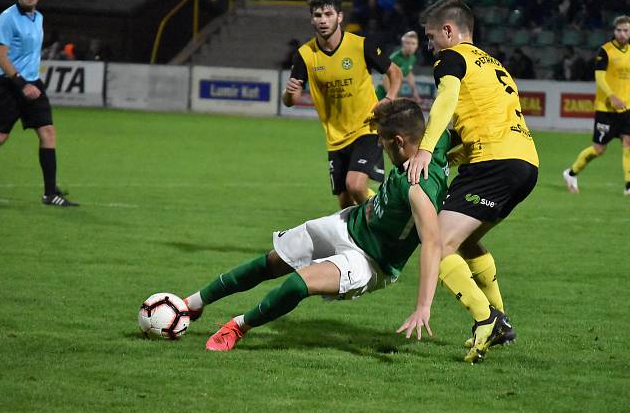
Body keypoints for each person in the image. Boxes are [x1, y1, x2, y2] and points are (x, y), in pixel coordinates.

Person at [182, 99, 452, 351]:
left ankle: (238, 326)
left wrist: (423, 306)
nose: (379, 144)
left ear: (399, 141)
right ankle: (192, 303)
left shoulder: (418, 189)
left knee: (298, 285)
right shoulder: (433, 142)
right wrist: (388, 107)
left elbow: (432, 242)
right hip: (349, 222)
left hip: (369, 261)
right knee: (272, 262)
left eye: (382, 139)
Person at [406, 0, 539, 363]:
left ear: (449, 31)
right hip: (525, 162)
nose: (430, 46)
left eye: (431, 37)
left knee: (436, 243)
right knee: (467, 242)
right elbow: (476, 126)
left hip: (493, 163)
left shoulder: (451, 58)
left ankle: (487, 319)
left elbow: (445, 101)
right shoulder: (493, 64)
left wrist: (426, 150)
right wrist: (448, 156)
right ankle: (502, 321)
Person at [0, 0, 77, 206]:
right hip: (11, 85)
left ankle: (50, 193)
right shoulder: (7, 18)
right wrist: (21, 83)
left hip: (33, 84)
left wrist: (31, 82)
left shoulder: (39, 17)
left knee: (47, 133)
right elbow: (0, 56)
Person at [283, 0, 402, 209]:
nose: (323, 20)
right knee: (345, 202)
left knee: (355, 185)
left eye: (328, 14)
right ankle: (361, 236)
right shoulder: (305, 54)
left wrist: (389, 98)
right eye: (318, 15)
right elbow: (291, 100)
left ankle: (386, 220)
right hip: (335, 137)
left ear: (339, 17)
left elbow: (395, 72)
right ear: (312, 19)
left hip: (367, 127)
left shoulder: (361, 45)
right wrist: (289, 92)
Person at [562, 16, 630, 197]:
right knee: (599, 149)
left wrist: (629, 96)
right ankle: (570, 174)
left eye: (625, 30)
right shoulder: (605, 51)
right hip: (606, 109)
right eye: (619, 30)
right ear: (614, 31)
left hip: (626, 108)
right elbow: (599, 77)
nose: (622, 34)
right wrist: (612, 96)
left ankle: (629, 186)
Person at [376, 31, 422, 103]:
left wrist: (415, 92)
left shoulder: (413, 58)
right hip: (383, 95)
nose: (410, 46)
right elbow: (385, 79)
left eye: (413, 44)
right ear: (403, 44)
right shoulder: (394, 58)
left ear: (417, 45)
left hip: (395, 94)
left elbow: (409, 73)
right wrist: (392, 97)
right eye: (407, 43)